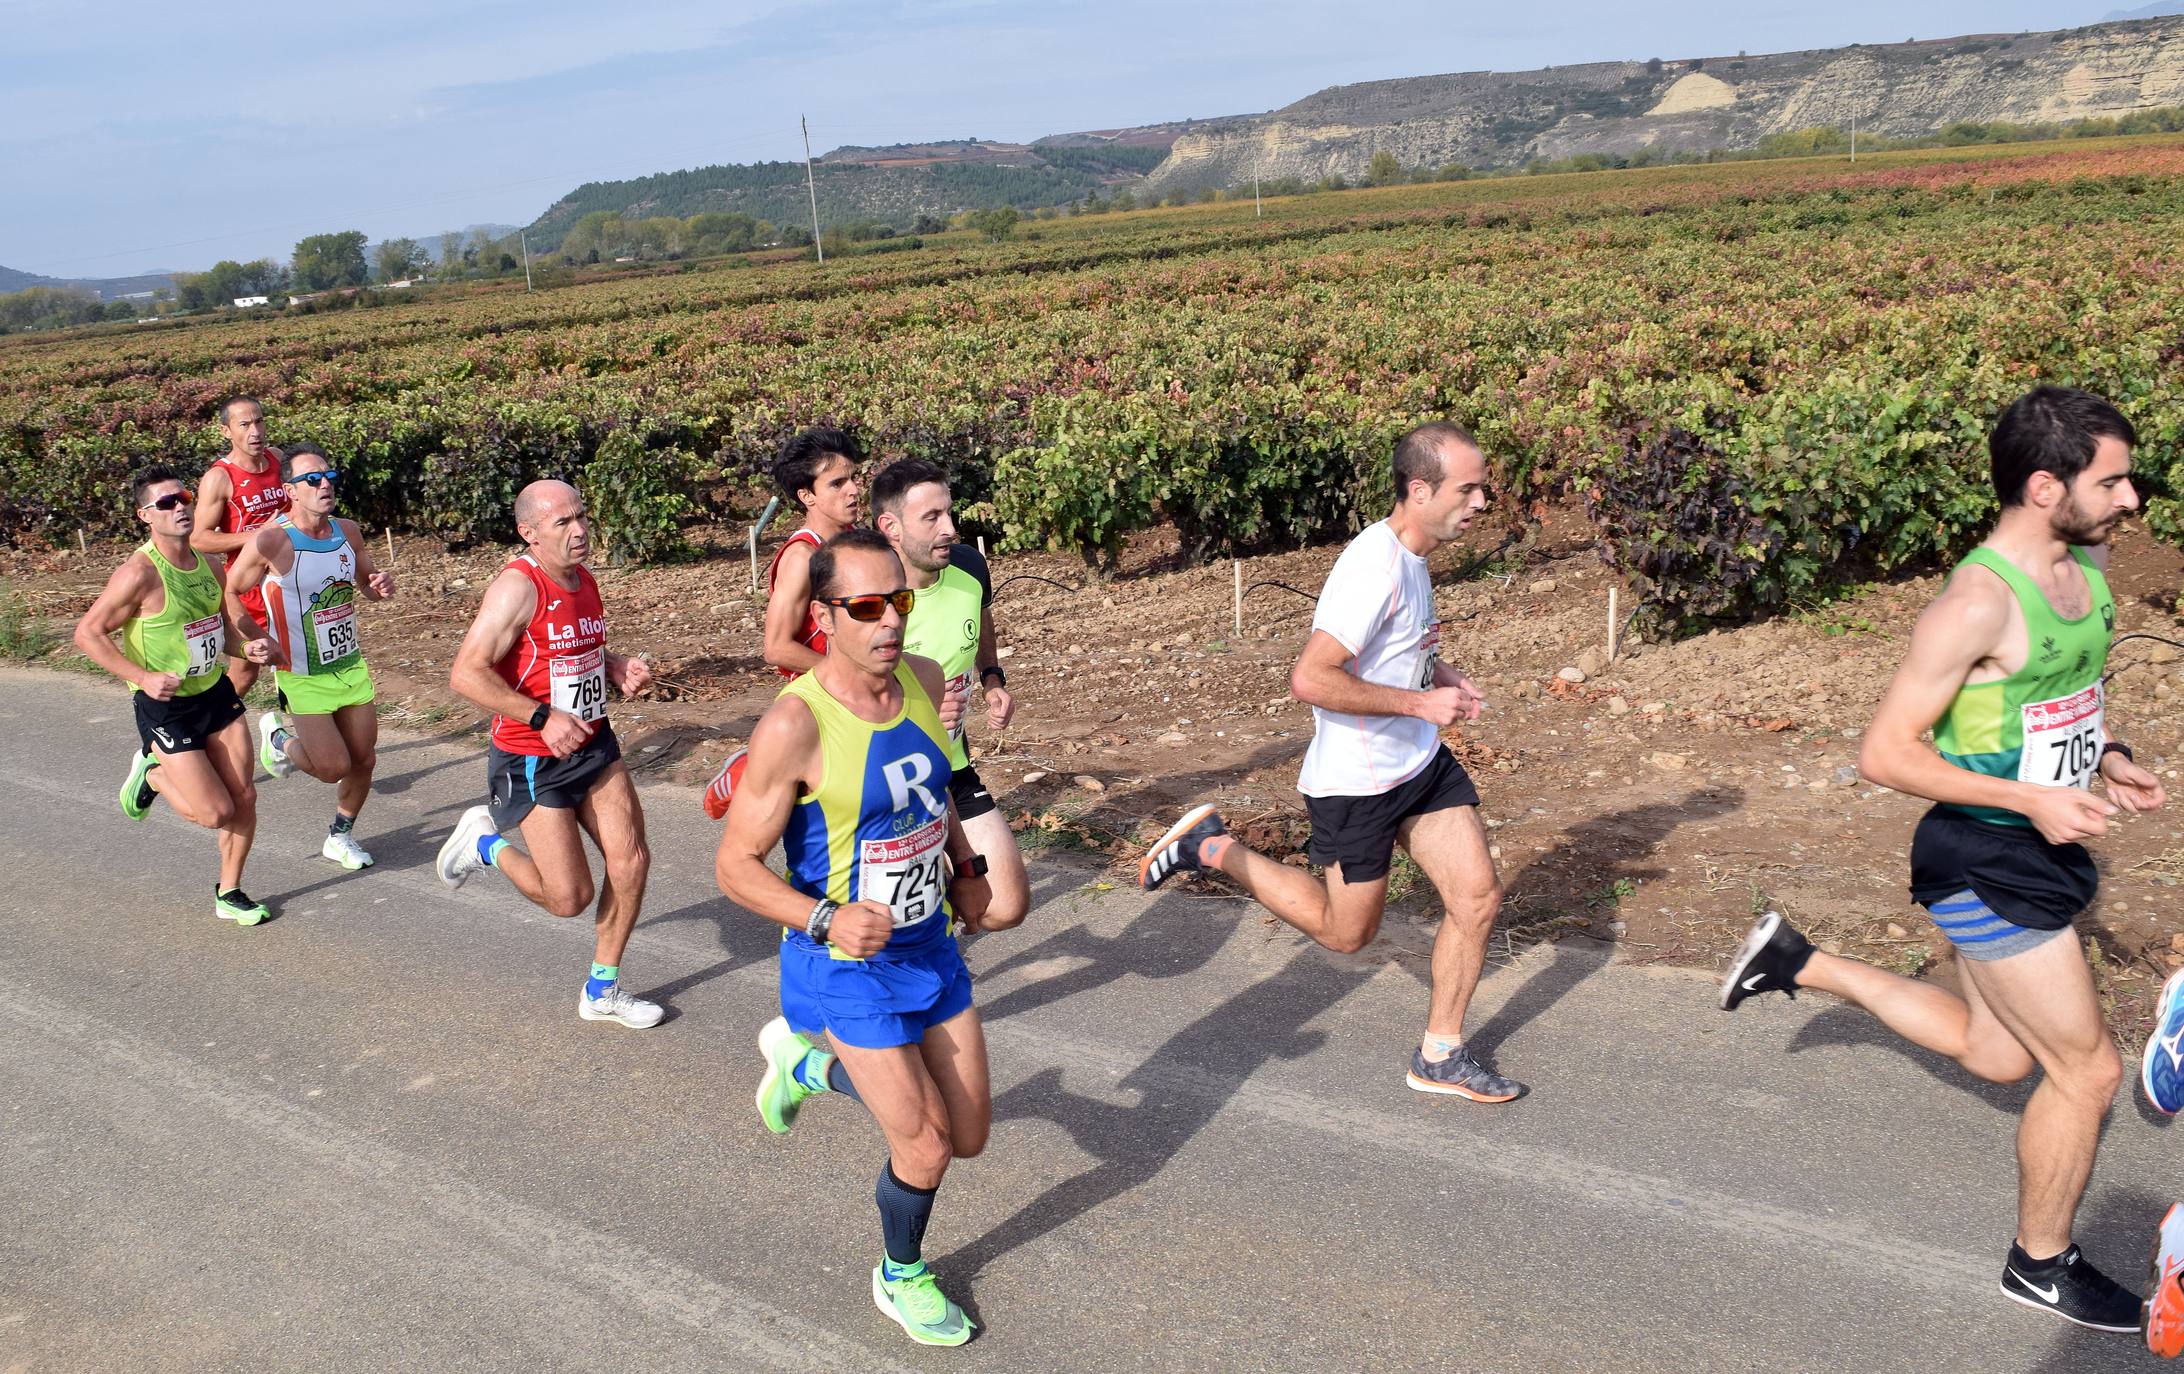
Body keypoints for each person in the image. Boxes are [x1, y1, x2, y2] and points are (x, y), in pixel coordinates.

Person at [1723, 386, 2160, 1334]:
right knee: (2084, 1074)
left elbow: (2057, 698)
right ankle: (2040, 1264)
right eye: (2115, 482)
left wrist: (2109, 757)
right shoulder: (1972, 605)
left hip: (2038, 846)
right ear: (2046, 487)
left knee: (1998, 1054)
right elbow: (1885, 754)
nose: (2134, 500)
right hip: (1981, 859)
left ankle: (1799, 961)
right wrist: (2030, 797)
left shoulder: (2084, 563)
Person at [1137, 422, 1523, 1104]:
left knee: (1478, 896)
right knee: (1347, 935)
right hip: (1359, 785)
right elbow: (1312, 679)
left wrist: (1441, 675)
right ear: (1420, 489)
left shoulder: (1415, 556)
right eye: (1469, 488)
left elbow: (1395, 650)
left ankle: (1441, 1055)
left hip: (1418, 766)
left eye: (1482, 487)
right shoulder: (1372, 570)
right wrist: (1418, 704)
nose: (1483, 500)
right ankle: (1214, 847)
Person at [716, 527, 998, 1348]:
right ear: (823, 616)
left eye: (899, 602)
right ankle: (900, 1274)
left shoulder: (921, 678)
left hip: (928, 945)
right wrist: (825, 916)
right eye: (867, 607)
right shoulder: (793, 727)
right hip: (846, 961)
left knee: (970, 1134)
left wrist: (967, 864)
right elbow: (735, 865)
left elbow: (934, 788)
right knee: (927, 1145)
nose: (890, 622)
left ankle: (807, 1066)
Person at [434, 480, 662, 1029]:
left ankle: (601, 990)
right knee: (569, 898)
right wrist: (539, 716)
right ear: (529, 533)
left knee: (631, 860)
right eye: (562, 523)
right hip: (533, 757)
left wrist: (612, 665)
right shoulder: (517, 587)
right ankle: (485, 844)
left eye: (581, 516)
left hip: (592, 741)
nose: (579, 530)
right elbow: (465, 673)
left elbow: (571, 644)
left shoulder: (582, 578)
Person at [73, 465, 279, 925]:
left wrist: (247, 647)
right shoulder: (139, 574)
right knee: (214, 813)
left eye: (183, 497)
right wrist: (141, 677)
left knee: (244, 798)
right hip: (165, 707)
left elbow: (219, 628)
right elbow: (88, 633)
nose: (180, 507)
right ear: (146, 515)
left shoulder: (208, 564)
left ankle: (230, 892)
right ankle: (153, 776)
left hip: (213, 692)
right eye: (166, 503)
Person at [869, 457, 1029, 931]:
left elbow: (980, 621)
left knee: (1003, 907)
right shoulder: (870, 596)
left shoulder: (969, 566)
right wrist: (917, 712)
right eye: (932, 518)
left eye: (949, 513)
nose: (950, 529)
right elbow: (841, 688)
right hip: (883, 778)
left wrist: (992, 679)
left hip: (950, 766)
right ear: (890, 526)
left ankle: (935, 924)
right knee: (881, 927)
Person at [222, 443, 394, 870]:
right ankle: (279, 740)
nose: (324, 485)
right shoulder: (272, 540)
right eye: (311, 479)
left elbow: (366, 582)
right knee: (333, 766)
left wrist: (380, 586)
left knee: (365, 759)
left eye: (329, 477)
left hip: (348, 665)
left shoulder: (347, 532)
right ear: (290, 491)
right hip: (300, 673)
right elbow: (229, 593)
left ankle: (340, 836)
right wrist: (252, 638)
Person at [704, 427, 863, 820]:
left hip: (860, 693)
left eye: (855, 478)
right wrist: (844, 673)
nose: (854, 490)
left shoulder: (857, 542)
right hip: (818, 699)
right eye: (838, 483)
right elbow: (776, 648)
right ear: (807, 496)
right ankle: (746, 772)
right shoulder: (801, 557)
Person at [192, 396, 289, 699]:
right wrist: (257, 536)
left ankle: (290, 737)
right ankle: (213, 729)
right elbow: (198, 538)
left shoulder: (277, 457)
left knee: (297, 660)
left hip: (288, 580)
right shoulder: (219, 478)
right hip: (248, 586)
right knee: (245, 673)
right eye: (244, 424)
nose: (255, 431)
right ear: (226, 431)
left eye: (259, 421)